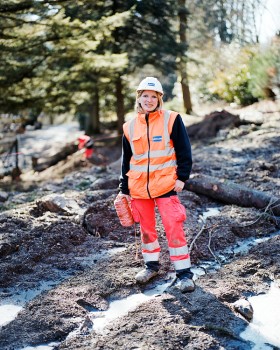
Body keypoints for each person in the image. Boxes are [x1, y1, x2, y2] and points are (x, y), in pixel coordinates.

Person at [118, 76, 195, 293]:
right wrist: (124, 189)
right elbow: (126, 160)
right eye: (145, 96)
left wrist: (182, 178)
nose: (149, 100)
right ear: (139, 99)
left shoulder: (172, 119)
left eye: (153, 96)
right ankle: (151, 266)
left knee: (173, 226)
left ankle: (184, 274)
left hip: (166, 186)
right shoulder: (129, 127)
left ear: (159, 99)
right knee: (146, 230)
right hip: (139, 188)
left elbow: (184, 150)